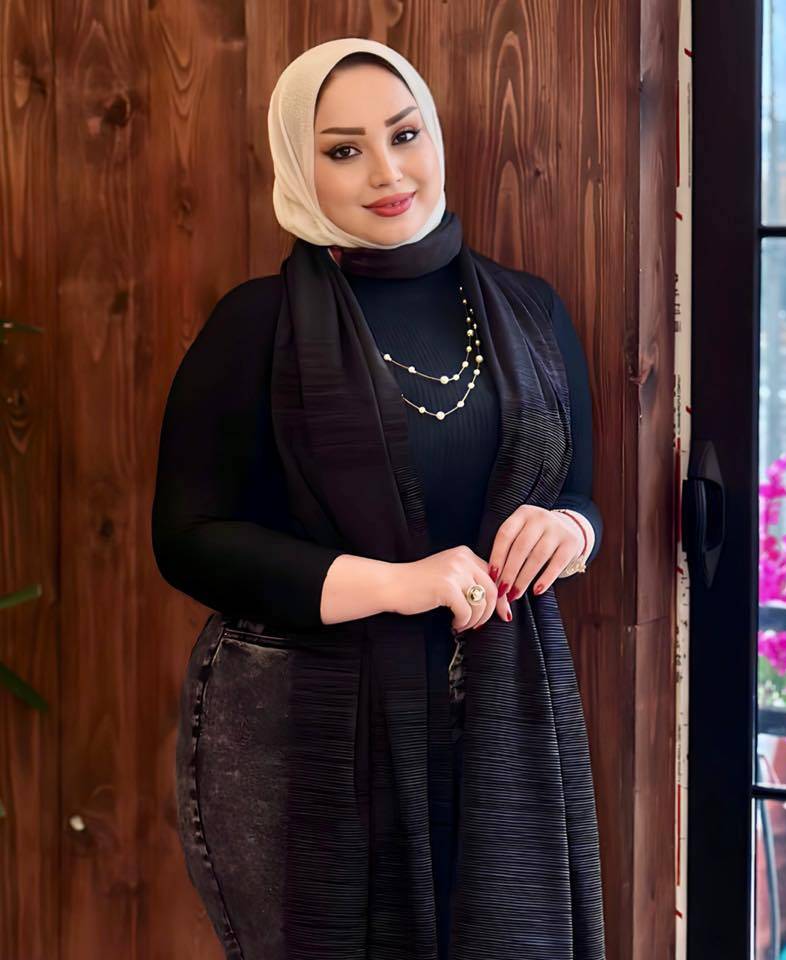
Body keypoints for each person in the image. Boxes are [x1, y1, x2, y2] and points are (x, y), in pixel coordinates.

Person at [153, 36, 605, 960]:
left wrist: (569, 530)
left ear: (434, 134)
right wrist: (398, 584)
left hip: (509, 723)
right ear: (298, 165)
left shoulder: (530, 310)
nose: (388, 173)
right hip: (314, 738)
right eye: (343, 150)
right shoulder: (258, 324)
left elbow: (581, 494)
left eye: (404, 135)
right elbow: (189, 538)